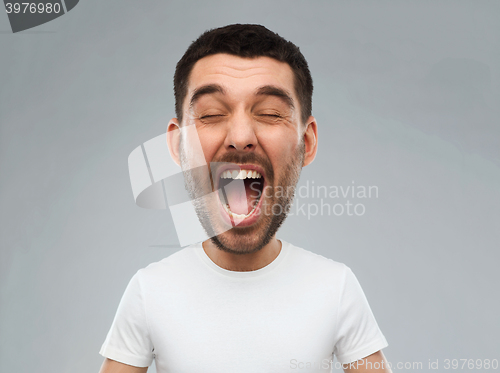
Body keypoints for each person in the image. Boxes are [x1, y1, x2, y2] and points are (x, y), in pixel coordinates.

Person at [99, 24, 391, 373]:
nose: (240, 137)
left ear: (307, 142)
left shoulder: (336, 286)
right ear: (178, 146)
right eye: (210, 114)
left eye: (268, 113)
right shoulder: (150, 290)